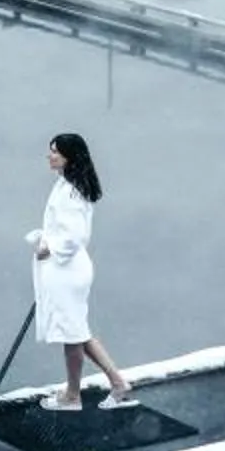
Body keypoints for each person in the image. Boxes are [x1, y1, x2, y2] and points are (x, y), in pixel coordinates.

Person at [29, 132, 135, 411]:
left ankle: (73, 395)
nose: (49, 155)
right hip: (70, 269)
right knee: (77, 331)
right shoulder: (68, 185)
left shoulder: (70, 193)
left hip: (67, 271)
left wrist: (48, 248)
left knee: (72, 334)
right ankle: (116, 383)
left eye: (55, 151)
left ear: (69, 156)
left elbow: (75, 236)